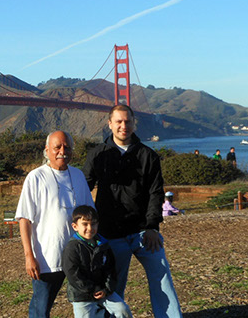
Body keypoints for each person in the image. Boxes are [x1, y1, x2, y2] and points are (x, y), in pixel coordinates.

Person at [83, 104, 183, 318]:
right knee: (114, 286)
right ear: (109, 124)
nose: (123, 126)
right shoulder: (97, 154)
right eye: (118, 121)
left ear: (134, 123)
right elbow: (84, 188)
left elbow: (156, 193)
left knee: (162, 277)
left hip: (142, 231)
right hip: (111, 233)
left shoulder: (149, 155)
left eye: (127, 121)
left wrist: (152, 227)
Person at [16, 131, 95, 318]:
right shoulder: (35, 177)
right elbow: (24, 219)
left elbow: (90, 213)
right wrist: (29, 256)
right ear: (47, 150)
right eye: (57, 147)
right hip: (47, 258)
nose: (62, 151)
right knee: (41, 308)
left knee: (88, 304)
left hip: (79, 256)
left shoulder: (78, 175)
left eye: (67, 147)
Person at [62, 205, 133, 318]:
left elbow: (110, 268)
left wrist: (107, 289)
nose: (90, 228)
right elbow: (73, 274)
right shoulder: (72, 248)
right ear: (75, 226)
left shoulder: (104, 244)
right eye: (85, 224)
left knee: (122, 310)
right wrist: (92, 289)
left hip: (104, 291)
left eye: (93, 224)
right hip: (82, 295)